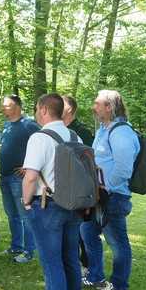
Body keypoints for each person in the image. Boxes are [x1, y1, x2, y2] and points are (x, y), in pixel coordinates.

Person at [16, 93, 83, 290]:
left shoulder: (40, 137)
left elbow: (31, 176)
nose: (35, 112)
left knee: (52, 263)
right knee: (70, 260)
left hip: (48, 206)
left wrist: (25, 203)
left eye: (36, 108)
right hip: (73, 205)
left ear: (44, 109)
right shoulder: (73, 135)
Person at [81, 90, 140, 290]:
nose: (94, 107)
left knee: (117, 243)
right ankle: (95, 275)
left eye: (98, 104)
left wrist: (106, 188)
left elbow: (124, 169)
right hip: (97, 195)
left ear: (110, 107)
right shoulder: (103, 130)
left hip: (113, 197)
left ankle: (119, 287)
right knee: (87, 232)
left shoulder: (121, 133)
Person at [0, 95, 41, 263]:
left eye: (6, 106)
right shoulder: (7, 125)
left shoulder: (29, 125)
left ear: (17, 106)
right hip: (4, 176)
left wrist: (29, 166)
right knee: (12, 214)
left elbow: (42, 145)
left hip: (19, 179)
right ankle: (16, 246)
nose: (3, 109)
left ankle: (29, 251)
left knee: (25, 215)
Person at [61, 95, 94, 273]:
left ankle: (87, 266)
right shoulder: (59, 130)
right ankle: (73, 263)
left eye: (62, 105)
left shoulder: (82, 132)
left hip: (80, 190)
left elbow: (90, 162)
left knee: (82, 230)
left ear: (70, 110)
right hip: (64, 190)